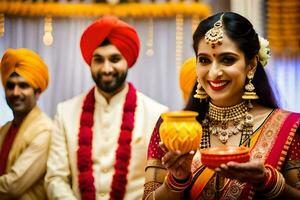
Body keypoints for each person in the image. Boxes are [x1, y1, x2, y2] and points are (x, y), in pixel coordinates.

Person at [143, 12, 300, 200]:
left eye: (227, 59)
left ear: (250, 65)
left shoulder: (289, 127)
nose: (214, 72)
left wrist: (267, 181)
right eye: (204, 60)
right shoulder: (170, 129)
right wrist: (177, 180)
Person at [45, 16, 168, 200]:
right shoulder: (65, 112)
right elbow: (55, 178)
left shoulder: (156, 114)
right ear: (90, 62)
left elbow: (159, 181)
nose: (106, 68)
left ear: (127, 61)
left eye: (115, 59)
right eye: (99, 60)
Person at [0, 48, 52, 200]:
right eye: (10, 86)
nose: (15, 92)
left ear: (37, 92)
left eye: (23, 86)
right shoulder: (5, 129)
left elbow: (13, 187)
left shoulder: (44, 130)